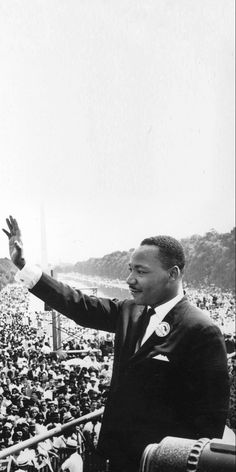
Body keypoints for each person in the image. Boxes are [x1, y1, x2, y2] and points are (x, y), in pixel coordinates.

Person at [2, 216, 230, 472]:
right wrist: (23, 265)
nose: (130, 279)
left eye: (141, 271)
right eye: (130, 269)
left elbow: (209, 424)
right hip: (116, 457)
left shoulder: (201, 330)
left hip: (158, 462)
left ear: (173, 274)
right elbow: (78, 304)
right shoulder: (129, 310)